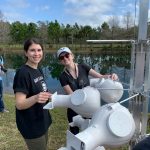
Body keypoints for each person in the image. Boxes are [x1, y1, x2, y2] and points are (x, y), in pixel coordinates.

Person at [57, 47, 118, 135]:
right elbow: (72, 95)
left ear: (72, 56)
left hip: (89, 107)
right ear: (60, 61)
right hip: (74, 109)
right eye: (61, 58)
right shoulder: (62, 76)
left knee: (90, 132)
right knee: (75, 133)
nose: (65, 58)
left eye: (67, 55)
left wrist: (111, 76)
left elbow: (99, 76)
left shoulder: (83, 66)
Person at [13, 38, 52, 150]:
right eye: (32, 50)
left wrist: (48, 96)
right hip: (31, 125)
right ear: (26, 52)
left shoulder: (38, 70)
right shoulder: (23, 73)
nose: (37, 54)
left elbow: (41, 91)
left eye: (39, 50)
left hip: (42, 121)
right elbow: (19, 104)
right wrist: (36, 98)